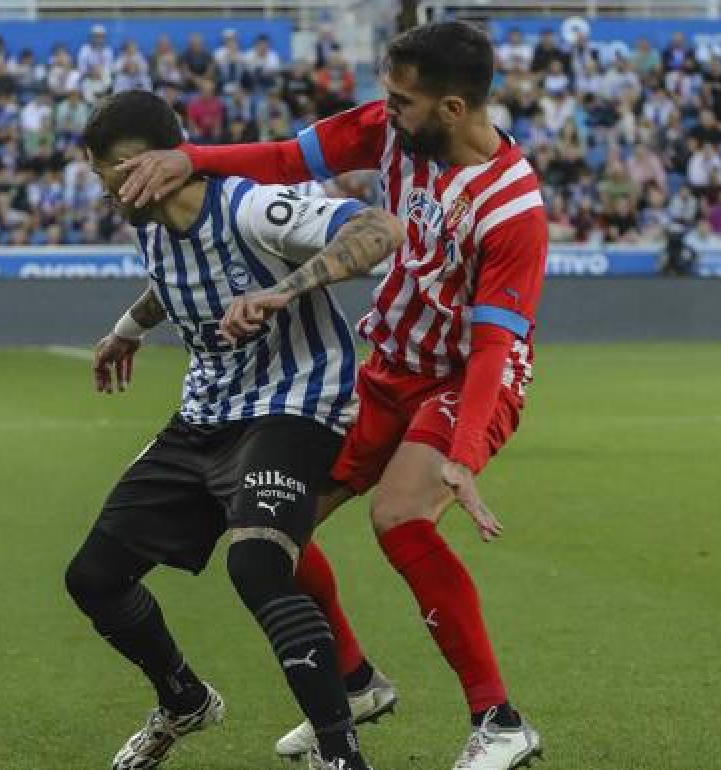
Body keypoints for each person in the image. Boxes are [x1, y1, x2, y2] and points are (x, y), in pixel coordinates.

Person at [117, 21, 547, 770]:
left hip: (461, 380)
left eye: (400, 100)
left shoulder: (513, 208)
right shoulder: (395, 132)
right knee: (268, 524)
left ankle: (499, 720)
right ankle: (353, 683)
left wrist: (465, 452)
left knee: (400, 518)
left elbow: (494, 344)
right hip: (384, 369)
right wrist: (190, 158)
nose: (386, 110)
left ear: (451, 108)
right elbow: (287, 159)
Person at [65, 90, 406, 770]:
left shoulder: (249, 206)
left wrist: (283, 291)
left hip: (295, 402)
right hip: (205, 417)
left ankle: (341, 756)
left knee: (255, 563)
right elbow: (177, 281)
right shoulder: (151, 224)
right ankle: (184, 699)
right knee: (94, 577)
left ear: (137, 167)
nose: (103, 192)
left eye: (106, 175)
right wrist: (126, 331)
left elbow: (380, 230)